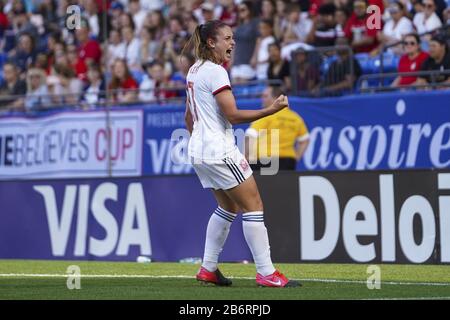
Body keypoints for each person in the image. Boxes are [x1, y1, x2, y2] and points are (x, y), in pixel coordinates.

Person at [184, 20, 300, 288]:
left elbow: (188, 116)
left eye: (233, 37)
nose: (232, 42)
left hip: (198, 149)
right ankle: (267, 273)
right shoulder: (215, 72)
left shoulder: (194, 70)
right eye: (227, 38)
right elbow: (233, 115)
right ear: (211, 43)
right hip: (217, 148)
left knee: (228, 206)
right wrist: (271, 110)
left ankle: (208, 268)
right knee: (254, 205)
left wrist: (200, 143)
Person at [245, 85, 309, 171]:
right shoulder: (296, 118)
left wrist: (246, 157)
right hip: (288, 161)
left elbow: (251, 136)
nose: (262, 98)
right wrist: (296, 157)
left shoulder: (265, 115)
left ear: (276, 98)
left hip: (264, 160)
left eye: (265, 96)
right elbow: (304, 140)